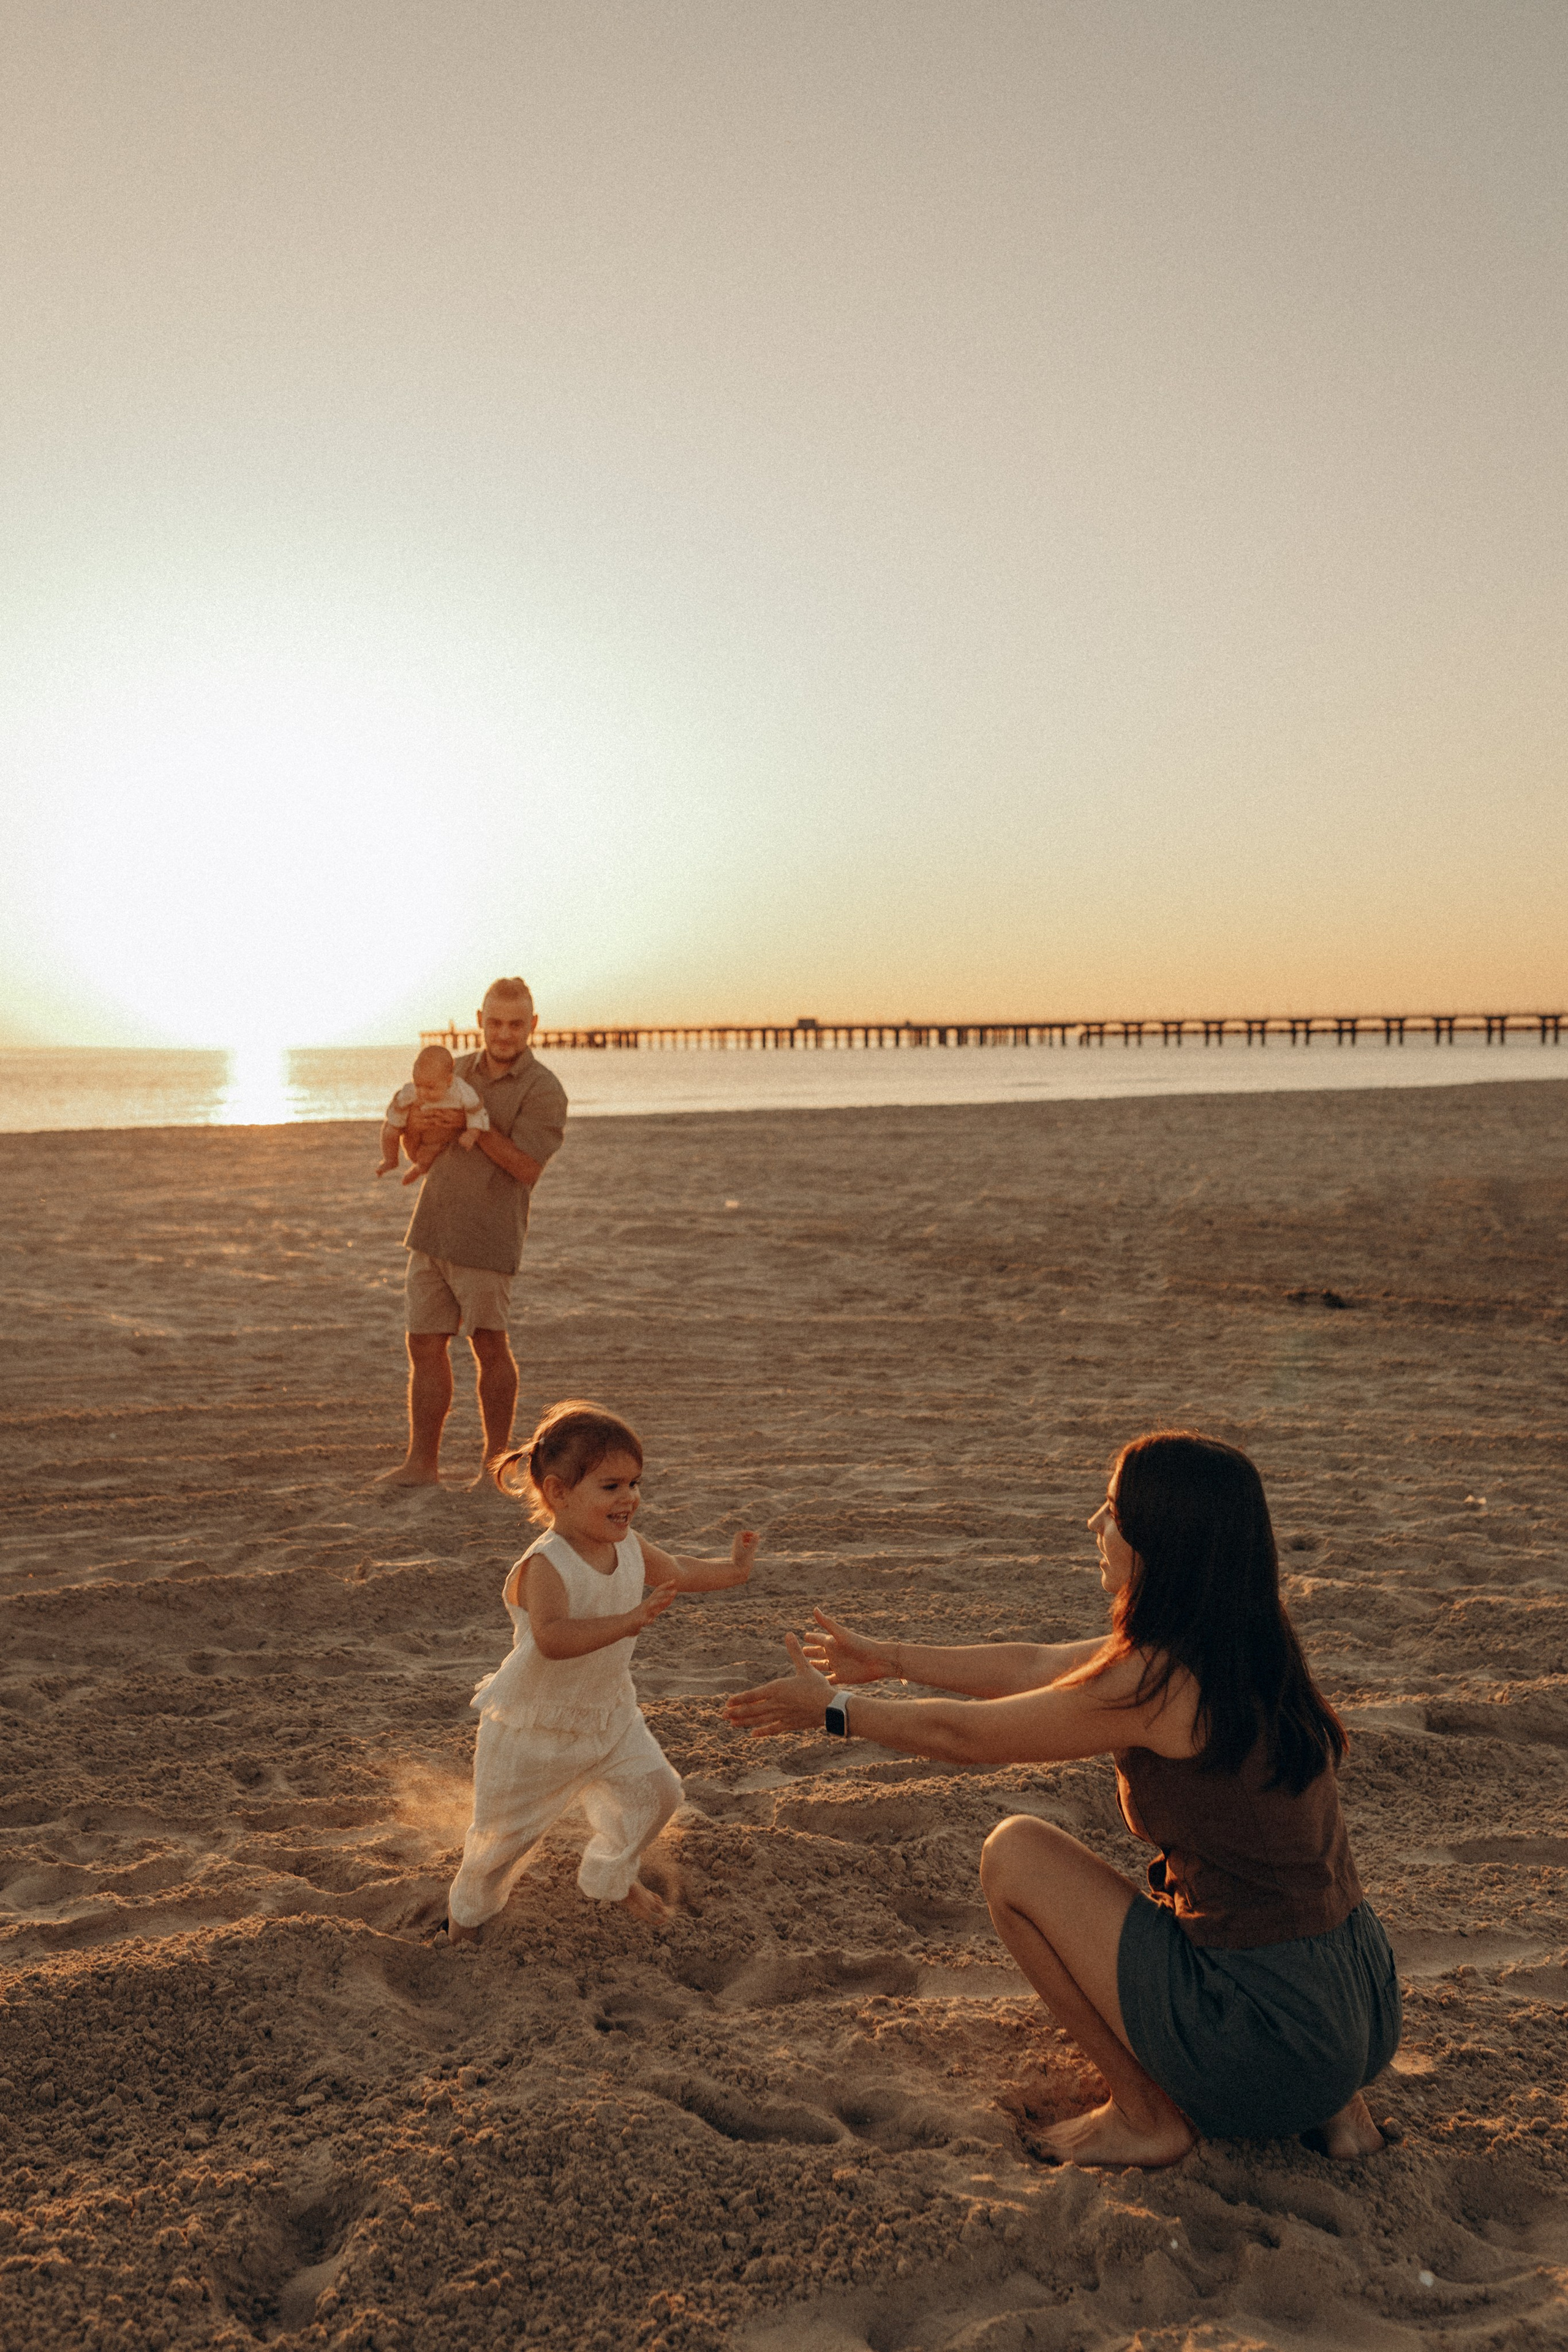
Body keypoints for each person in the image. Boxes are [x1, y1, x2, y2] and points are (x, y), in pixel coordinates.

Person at [725, 1431, 1400, 2169]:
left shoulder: (1159, 1685)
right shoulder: (1244, 1644)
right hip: (1361, 2005)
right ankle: (1342, 2115)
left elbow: (965, 1737)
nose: (1094, 1525)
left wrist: (834, 1708)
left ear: (1159, 1538)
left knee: (1014, 1855)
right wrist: (890, 1660)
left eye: (1112, 1510)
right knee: (1272, 1880)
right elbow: (1039, 1664)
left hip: (1275, 2040)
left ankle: (1145, 2118)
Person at [447, 1400, 758, 1940]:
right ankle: (462, 1927)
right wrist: (628, 1620)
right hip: (532, 1733)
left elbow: (679, 1571)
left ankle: (609, 1875)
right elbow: (552, 1638)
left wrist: (734, 1570)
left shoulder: (631, 1547)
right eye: (611, 1487)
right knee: (498, 1847)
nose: (630, 1499)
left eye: (635, 1484)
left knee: (658, 1794)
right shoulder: (547, 1563)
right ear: (558, 1492)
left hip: (609, 1717)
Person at [379, 978, 568, 1487]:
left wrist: (476, 1128)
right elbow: (421, 1137)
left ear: (533, 1025)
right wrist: (417, 1128)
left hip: (490, 1235)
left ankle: (496, 1468)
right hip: (432, 1226)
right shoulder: (453, 1070)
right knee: (423, 1344)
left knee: (488, 1344)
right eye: (494, 1023)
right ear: (479, 1021)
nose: (504, 1034)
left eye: (515, 1024)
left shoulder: (544, 1088)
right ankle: (422, 1464)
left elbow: (527, 1167)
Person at [375, 1042, 490, 1185]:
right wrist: (398, 1125)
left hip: (439, 1138)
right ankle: (390, 1159)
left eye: (430, 1087)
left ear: (449, 1081)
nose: (423, 1092)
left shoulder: (460, 1091)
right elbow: (398, 1107)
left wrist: (472, 1132)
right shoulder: (411, 1091)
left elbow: (477, 1110)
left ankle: (418, 1169)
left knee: (429, 1156)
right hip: (414, 1134)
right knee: (389, 1131)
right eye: (418, 1084)